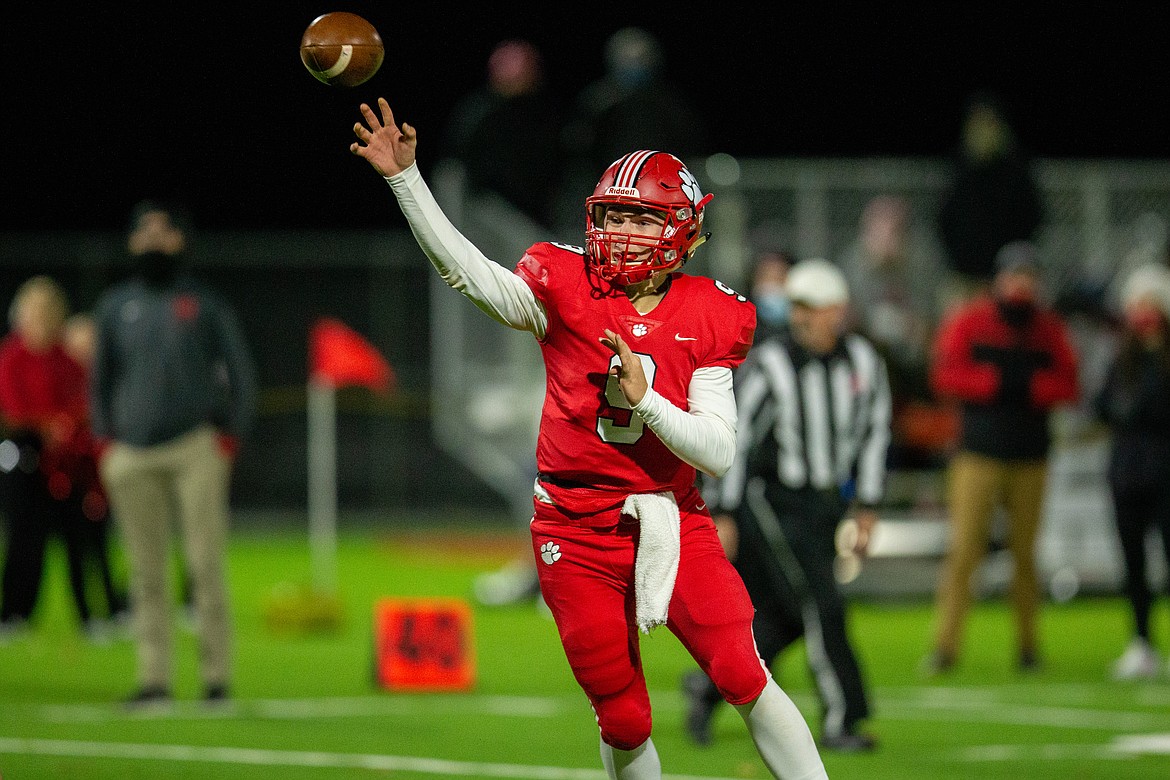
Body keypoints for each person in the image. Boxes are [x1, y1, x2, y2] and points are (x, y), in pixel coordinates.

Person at [350, 99, 827, 780]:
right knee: (623, 714)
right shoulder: (565, 282)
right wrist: (407, 181)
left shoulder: (710, 312)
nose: (625, 232)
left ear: (684, 232)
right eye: (615, 215)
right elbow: (470, 275)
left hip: (673, 515)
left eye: (644, 217)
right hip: (574, 528)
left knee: (741, 673)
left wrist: (648, 402)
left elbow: (718, 451)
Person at [683, 258, 891, 753]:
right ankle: (843, 719)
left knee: (787, 619)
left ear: (838, 311)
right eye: (796, 307)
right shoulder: (772, 365)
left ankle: (710, 689)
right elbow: (736, 439)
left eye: (811, 308)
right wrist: (726, 512)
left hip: (824, 508)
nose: (800, 317)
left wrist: (866, 506)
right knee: (823, 605)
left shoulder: (864, 363)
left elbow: (875, 436)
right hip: (772, 504)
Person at [90, 200, 258, 705]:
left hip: (194, 448)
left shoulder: (203, 302)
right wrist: (106, 444)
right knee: (145, 572)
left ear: (181, 241)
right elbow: (99, 380)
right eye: (145, 232)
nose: (154, 240)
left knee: (205, 565)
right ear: (131, 242)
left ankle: (216, 679)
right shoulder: (116, 306)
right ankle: (154, 679)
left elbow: (240, 371)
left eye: (165, 231)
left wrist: (230, 435)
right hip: (132, 454)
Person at [923, 241, 1079, 675]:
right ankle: (945, 648)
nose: (1021, 285)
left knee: (1025, 556)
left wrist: (1023, 388)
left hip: (1030, 455)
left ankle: (1028, 648)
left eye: (1028, 276)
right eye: (1015, 275)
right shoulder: (972, 320)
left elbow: (1069, 382)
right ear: (1000, 279)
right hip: (979, 453)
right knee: (965, 552)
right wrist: (1001, 385)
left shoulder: (1047, 328)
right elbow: (944, 373)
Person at [0, 277, 120, 641]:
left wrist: (68, 425)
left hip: (68, 460)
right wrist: (50, 423)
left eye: (47, 310)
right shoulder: (10, 357)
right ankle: (14, 613)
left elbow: (87, 403)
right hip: (23, 457)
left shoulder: (67, 360)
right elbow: (12, 412)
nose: (41, 318)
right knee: (23, 538)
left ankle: (90, 614)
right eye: (34, 310)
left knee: (79, 537)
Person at [1093, 263, 1170, 680]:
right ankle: (1142, 642)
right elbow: (1103, 406)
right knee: (1134, 565)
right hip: (1127, 474)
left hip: (1164, 473)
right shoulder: (1122, 356)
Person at [557, 27, 706, 234]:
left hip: (658, 194)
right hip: (611, 190)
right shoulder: (600, 102)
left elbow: (689, 144)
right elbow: (578, 147)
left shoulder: (669, 105)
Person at [440, 39, 565, 229]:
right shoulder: (478, 113)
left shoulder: (546, 114)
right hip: (488, 208)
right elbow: (455, 168)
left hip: (532, 214)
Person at [935, 91, 1045, 306]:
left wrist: (1010, 266)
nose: (983, 131)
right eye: (978, 123)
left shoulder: (1015, 171)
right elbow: (944, 220)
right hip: (964, 278)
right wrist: (960, 262)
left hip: (1006, 278)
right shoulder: (959, 169)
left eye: (989, 124)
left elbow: (1031, 219)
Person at [747, 248, 796, 343]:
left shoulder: (805, 331)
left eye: (778, 278)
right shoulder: (738, 330)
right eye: (765, 277)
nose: (771, 285)